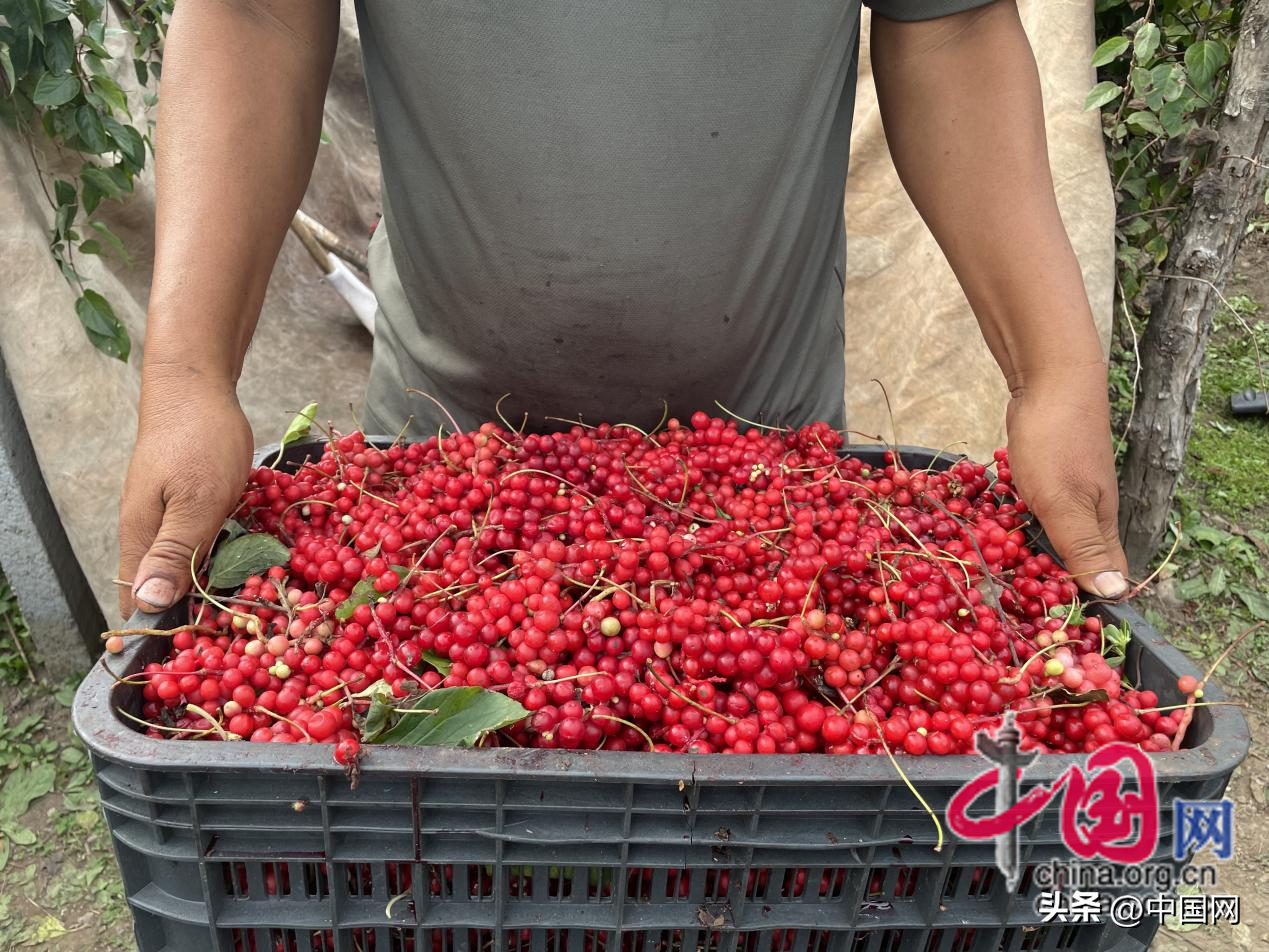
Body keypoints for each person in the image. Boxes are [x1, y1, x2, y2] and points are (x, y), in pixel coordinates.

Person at [118, 0, 1130, 618]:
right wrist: (188, 377)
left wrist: (1053, 373)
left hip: (772, 503)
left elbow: (947, 26)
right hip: (441, 493)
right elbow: (254, 14)